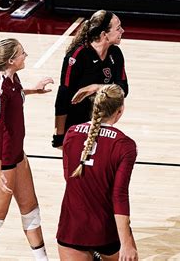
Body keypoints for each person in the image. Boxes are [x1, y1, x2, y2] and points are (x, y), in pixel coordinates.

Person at [0, 38, 54, 261]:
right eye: (23, 53)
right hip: (1, 158)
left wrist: (33, 90)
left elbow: (16, 96)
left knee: (31, 211)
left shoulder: (13, 79)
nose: (26, 56)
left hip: (17, 154)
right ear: (12, 60)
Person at [56, 84, 138, 261]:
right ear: (120, 110)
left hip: (71, 229)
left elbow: (67, 177)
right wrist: (126, 242)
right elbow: (119, 196)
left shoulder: (71, 133)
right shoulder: (125, 145)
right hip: (105, 231)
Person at [52, 9, 128, 149]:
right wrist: (59, 136)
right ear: (104, 34)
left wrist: (96, 87)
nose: (122, 31)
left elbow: (123, 88)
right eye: (118, 28)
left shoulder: (115, 53)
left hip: (103, 124)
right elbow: (63, 97)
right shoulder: (77, 56)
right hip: (77, 125)